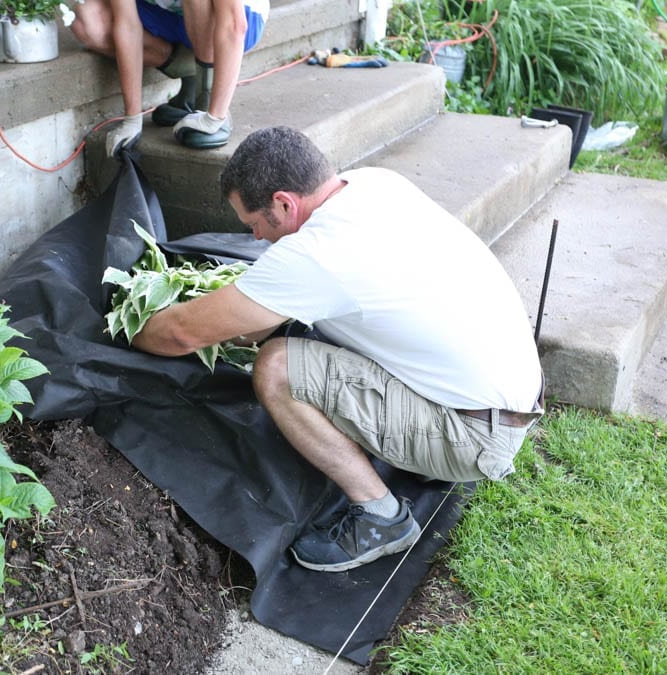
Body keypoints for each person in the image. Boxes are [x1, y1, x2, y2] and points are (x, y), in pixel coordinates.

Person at [130, 126, 544, 573]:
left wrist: (131, 329)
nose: (251, 239)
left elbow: (180, 335)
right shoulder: (374, 184)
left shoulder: (316, 255)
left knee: (278, 367)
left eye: (252, 224)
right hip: (508, 396)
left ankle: (380, 516)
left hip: (476, 437)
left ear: (285, 204)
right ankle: (422, 451)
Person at [69, 0, 269, 154]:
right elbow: (127, 25)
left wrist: (215, 117)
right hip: (176, 18)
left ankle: (207, 98)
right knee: (88, 20)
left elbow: (235, 25)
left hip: (240, 19)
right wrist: (132, 118)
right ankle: (188, 68)